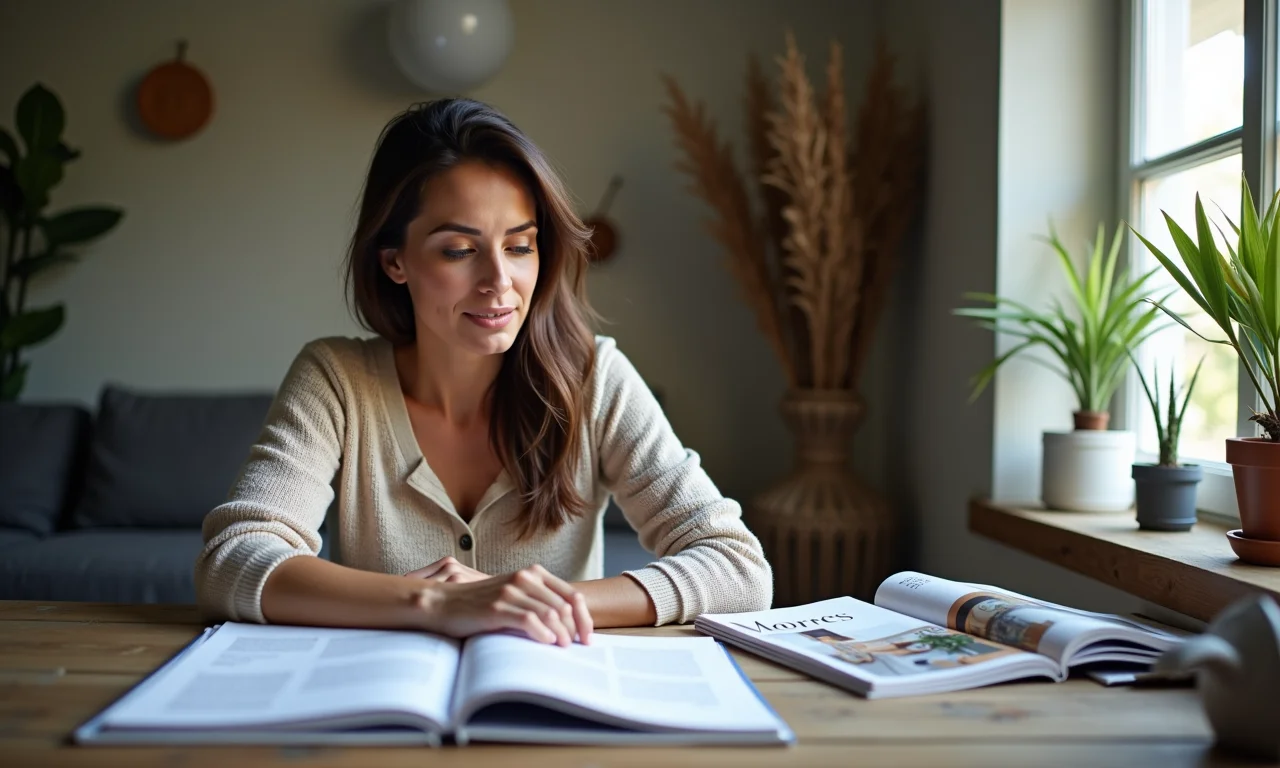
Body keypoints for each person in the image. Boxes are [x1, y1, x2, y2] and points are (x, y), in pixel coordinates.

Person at [195, 98, 772, 647]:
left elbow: (739, 569)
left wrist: (536, 603)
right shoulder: (337, 380)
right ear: (395, 261)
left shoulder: (596, 378)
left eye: (520, 246)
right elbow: (233, 560)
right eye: (458, 250)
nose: (499, 281)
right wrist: (434, 603)